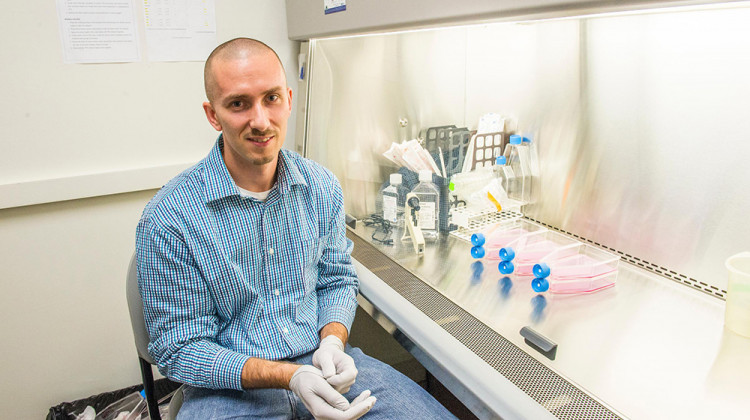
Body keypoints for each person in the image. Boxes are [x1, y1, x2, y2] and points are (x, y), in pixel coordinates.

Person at [135, 38, 457, 420]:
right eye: (239, 104)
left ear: (288, 99)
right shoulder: (169, 217)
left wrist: (333, 343)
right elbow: (180, 348)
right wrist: (290, 376)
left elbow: (336, 280)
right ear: (212, 114)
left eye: (270, 98)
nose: (260, 120)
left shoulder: (320, 186)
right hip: (230, 390)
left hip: (326, 365)